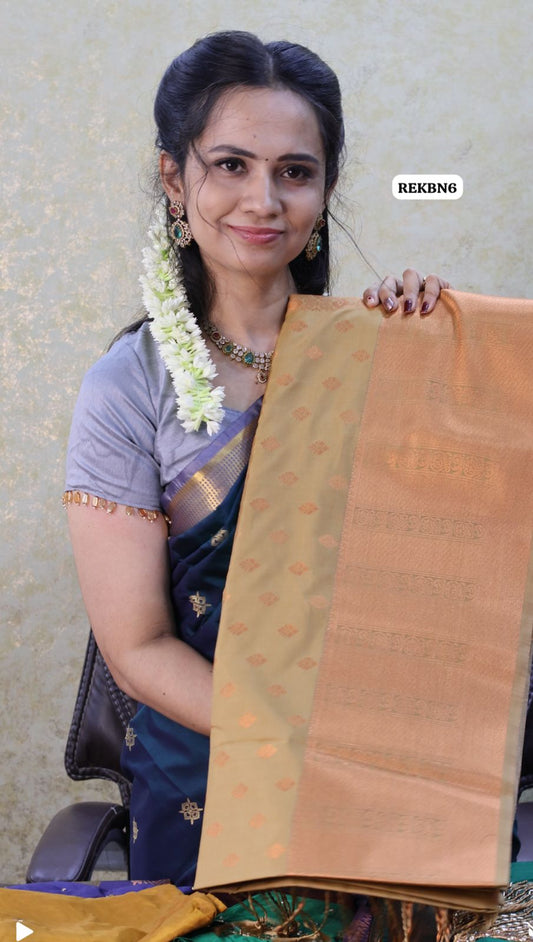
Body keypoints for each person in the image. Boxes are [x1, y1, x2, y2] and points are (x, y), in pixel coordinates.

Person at [64, 30, 451, 886]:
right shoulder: (128, 389)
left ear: (326, 189)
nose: (263, 200)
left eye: (295, 172)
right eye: (230, 165)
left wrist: (444, 354)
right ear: (174, 177)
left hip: (397, 753)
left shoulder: (384, 349)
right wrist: (306, 734)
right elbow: (137, 646)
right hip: (218, 769)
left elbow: (449, 571)